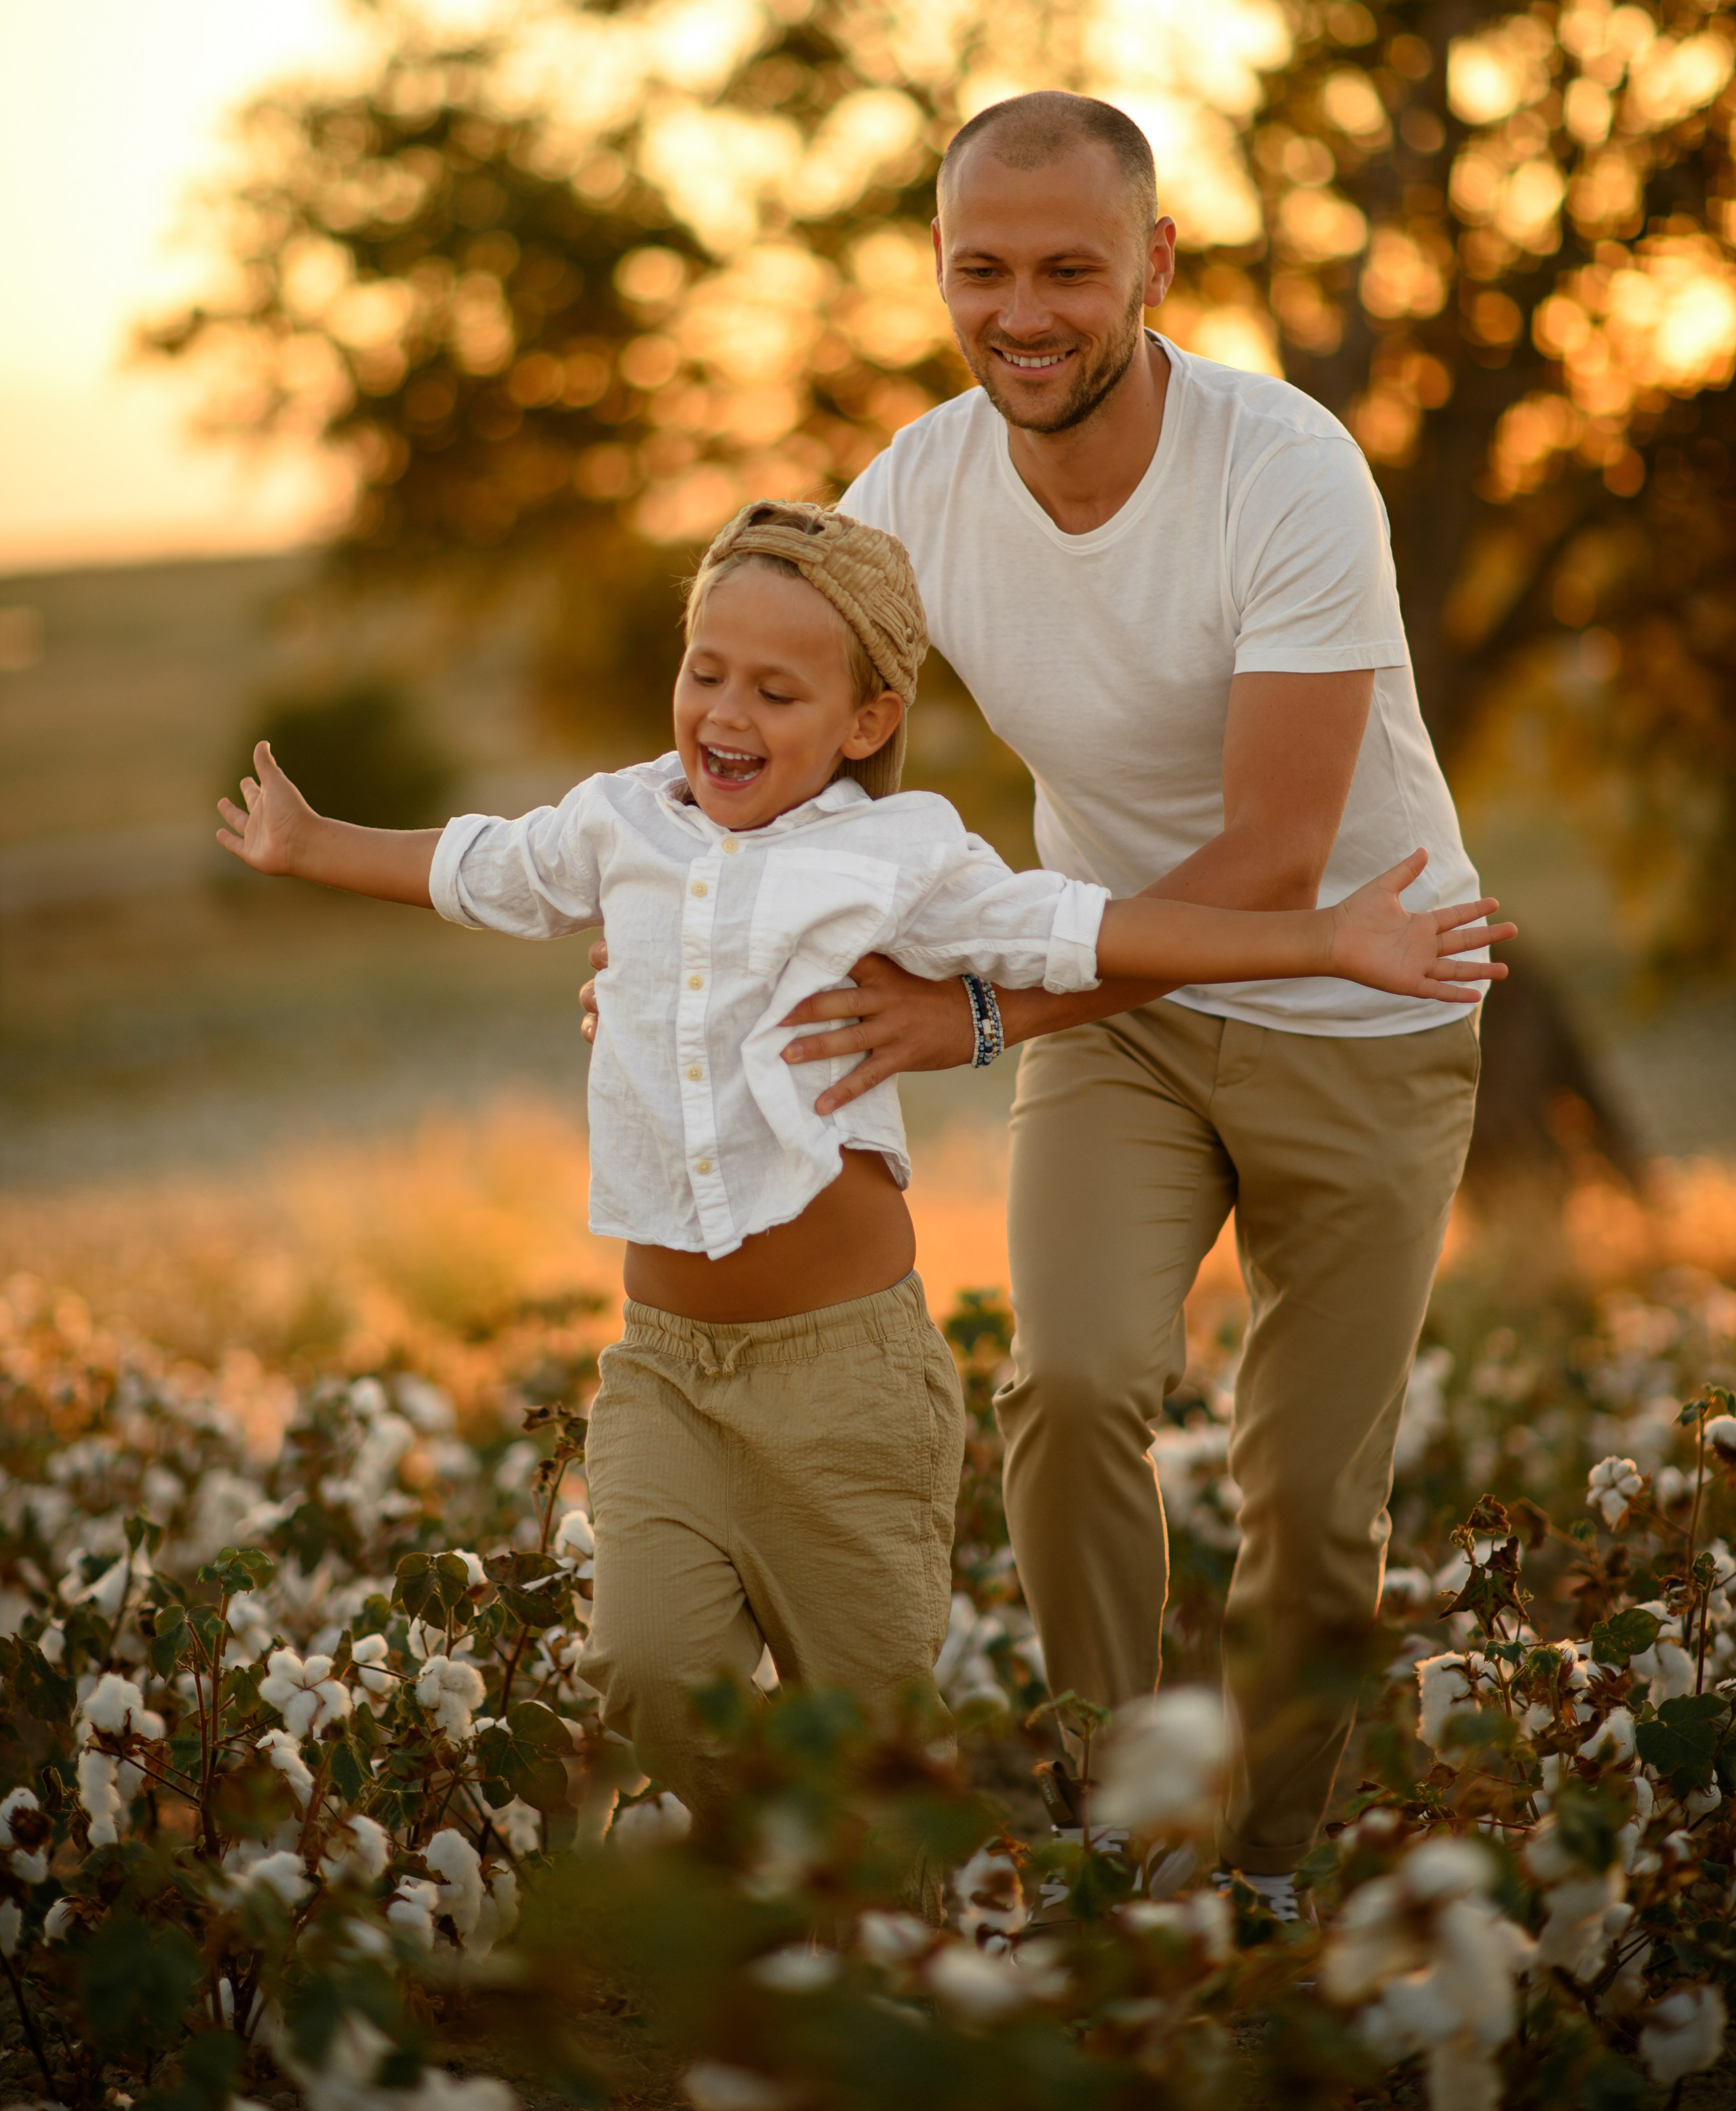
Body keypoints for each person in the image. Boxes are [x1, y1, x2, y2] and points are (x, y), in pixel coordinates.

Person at [220, 498, 1508, 1825]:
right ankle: (764, 1908)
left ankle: (896, 1935)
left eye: (777, 690)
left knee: (874, 1760)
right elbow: (482, 865)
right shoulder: (621, 826)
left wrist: (1321, 941)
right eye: (704, 672)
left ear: (866, 721)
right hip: (661, 1371)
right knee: (650, 1673)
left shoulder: (899, 855)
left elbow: (1088, 931)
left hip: (848, 1388)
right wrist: (309, 845)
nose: (726, 711)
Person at [749, 92, 1496, 1915]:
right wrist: (685, 916)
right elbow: (777, 724)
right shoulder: (913, 492)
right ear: (938, 271)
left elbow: (1268, 860)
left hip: (1367, 1003)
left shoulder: (1283, 467)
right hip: (1131, 1025)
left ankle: (1268, 1879)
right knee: (1073, 1385)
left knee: (1311, 1516)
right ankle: (1131, 1831)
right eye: (980, 268)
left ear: (1154, 266)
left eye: (1070, 269)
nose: (1025, 310)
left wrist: (986, 1010)